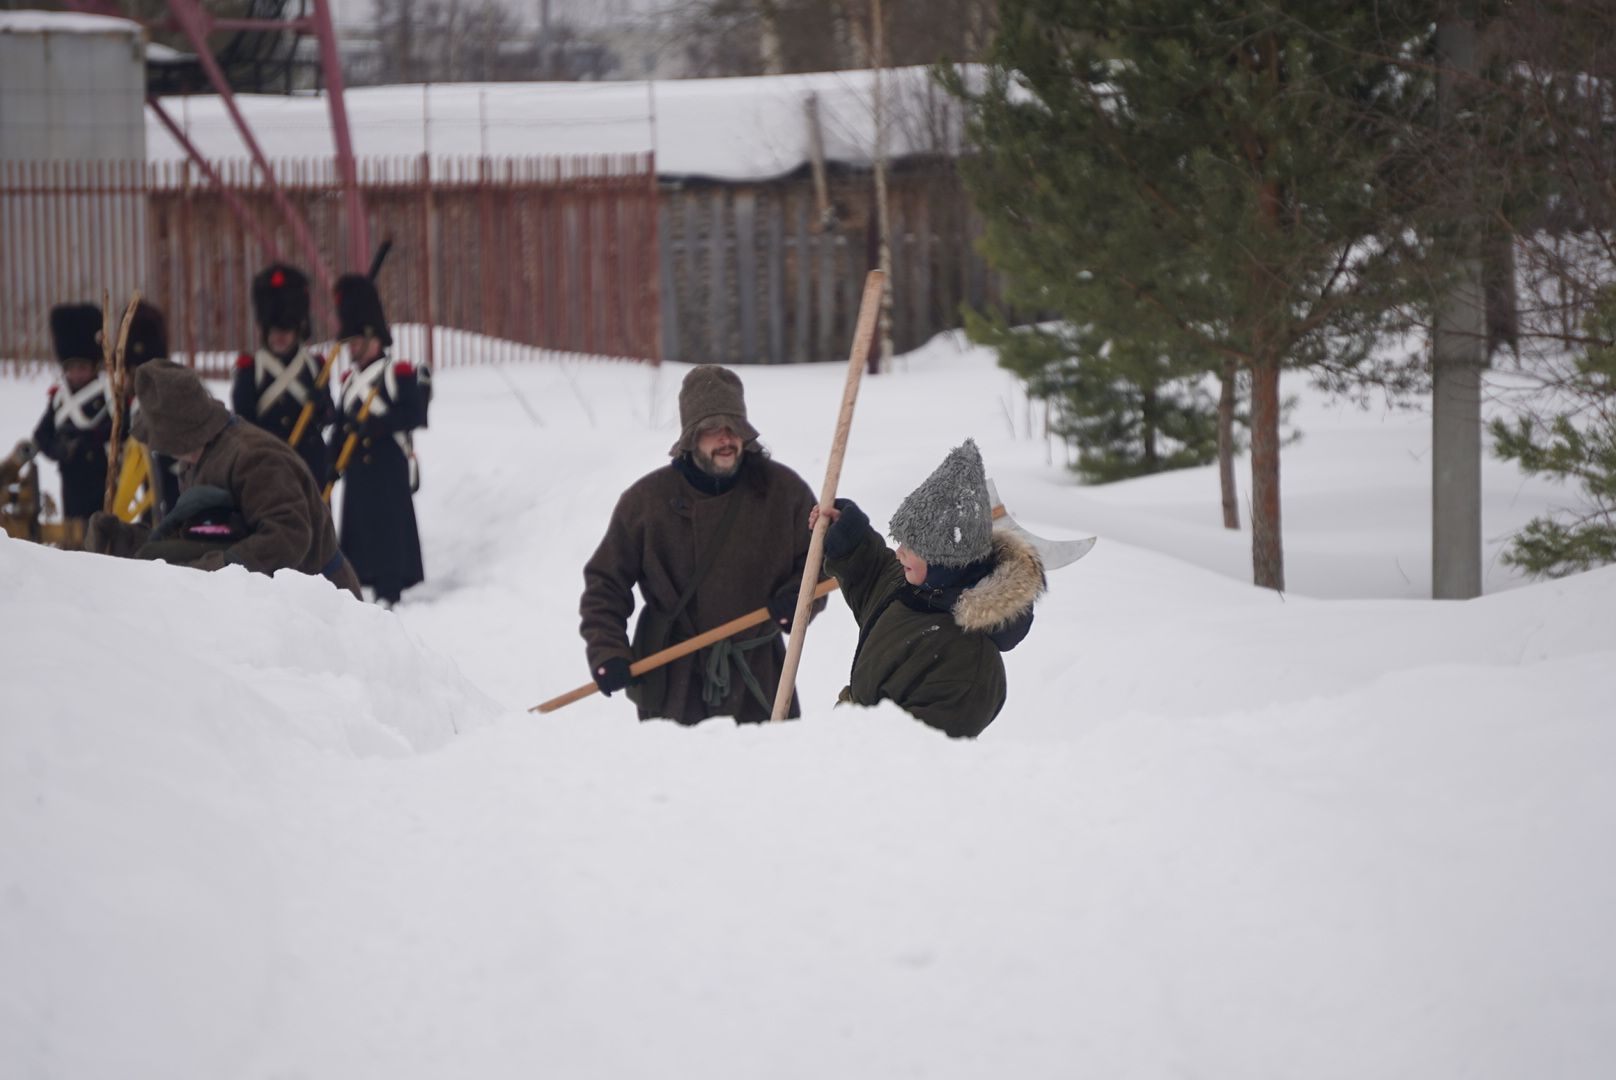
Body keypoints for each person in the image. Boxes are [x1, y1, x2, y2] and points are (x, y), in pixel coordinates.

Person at [579, 364, 826, 725]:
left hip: (759, 678)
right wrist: (607, 651)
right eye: (713, 429)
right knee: (679, 780)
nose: (726, 440)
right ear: (691, 437)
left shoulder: (783, 492)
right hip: (675, 683)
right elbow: (605, 583)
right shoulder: (646, 501)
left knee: (768, 778)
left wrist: (800, 597)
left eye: (734, 428)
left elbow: (818, 561)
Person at [811, 438, 1044, 738]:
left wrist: (850, 749)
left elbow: (919, 755)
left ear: (945, 561)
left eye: (912, 546)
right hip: (849, 752)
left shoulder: (969, 663)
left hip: (875, 774)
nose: (899, 553)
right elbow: (873, 574)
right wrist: (847, 535)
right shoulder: (914, 590)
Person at [83, 359, 361, 596]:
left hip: (322, 612)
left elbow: (288, 537)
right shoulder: (202, 456)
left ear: (175, 436)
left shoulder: (255, 459)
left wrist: (219, 567)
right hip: (276, 609)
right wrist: (125, 543)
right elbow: (197, 538)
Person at [326, 273, 427, 608]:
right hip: (358, 471)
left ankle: (389, 590)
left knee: (388, 530)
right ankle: (361, 586)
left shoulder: (397, 374)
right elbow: (340, 427)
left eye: (356, 342)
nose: (351, 349)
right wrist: (330, 463)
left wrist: (379, 426)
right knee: (357, 531)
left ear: (373, 339)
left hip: (387, 468)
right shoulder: (350, 381)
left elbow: (415, 415)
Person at [232, 263, 333, 481]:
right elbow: (242, 421)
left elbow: (329, 416)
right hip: (268, 467)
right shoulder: (251, 369)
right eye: (275, 330)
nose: (280, 336)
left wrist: (321, 406)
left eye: (286, 330)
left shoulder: (314, 366)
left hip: (310, 467)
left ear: (297, 330)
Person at [28, 303, 111, 547]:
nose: (76, 374)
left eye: (82, 367)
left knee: (99, 530)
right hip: (71, 476)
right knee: (74, 532)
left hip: (101, 474)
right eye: (71, 368)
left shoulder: (107, 395)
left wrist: (92, 440)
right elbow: (42, 436)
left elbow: (120, 429)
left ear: (94, 367)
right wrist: (60, 449)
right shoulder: (59, 399)